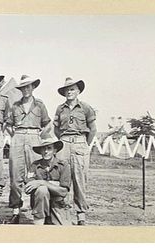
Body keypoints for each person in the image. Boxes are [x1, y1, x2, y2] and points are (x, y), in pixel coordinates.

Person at [6, 75, 51, 224]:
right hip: (18, 137)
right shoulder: (15, 105)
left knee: (35, 173)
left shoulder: (39, 105)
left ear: (33, 88)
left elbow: (47, 124)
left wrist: (39, 137)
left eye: (28, 87)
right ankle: (15, 210)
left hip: (34, 137)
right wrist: (16, 136)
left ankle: (37, 209)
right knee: (15, 175)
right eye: (23, 87)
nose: (26, 90)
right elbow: (8, 124)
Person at [54, 77, 97, 225]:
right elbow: (56, 129)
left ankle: (81, 214)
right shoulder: (60, 108)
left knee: (80, 180)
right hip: (64, 143)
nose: (69, 92)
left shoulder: (85, 107)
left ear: (78, 91)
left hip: (80, 144)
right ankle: (63, 211)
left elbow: (93, 129)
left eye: (72, 89)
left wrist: (85, 144)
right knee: (63, 178)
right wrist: (64, 142)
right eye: (67, 90)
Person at [25, 132, 71, 225]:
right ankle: (39, 222)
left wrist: (42, 182)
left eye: (49, 148)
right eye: (43, 149)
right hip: (39, 206)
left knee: (64, 234)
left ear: (55, 151)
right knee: (42, 190)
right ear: (40, 151)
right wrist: (53, 185)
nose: (46, 151)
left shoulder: (63, 165)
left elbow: (63, 192)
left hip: (57, 205)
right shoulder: (35, 165)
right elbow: (29, 187)